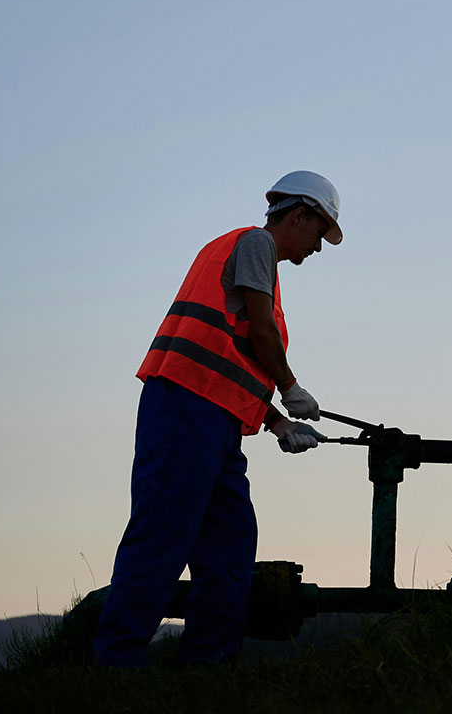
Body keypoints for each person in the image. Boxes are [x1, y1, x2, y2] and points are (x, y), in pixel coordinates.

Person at [92, 171, 343, 667]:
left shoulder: (254, 259)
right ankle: (116, 664)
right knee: (162, 532)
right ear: (298, 215)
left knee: (229, 546)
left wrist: (278, 424)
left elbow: (234, 355)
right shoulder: (256, 245)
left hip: (215, 420)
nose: (318, 248)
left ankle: (208, 666)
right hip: (185, 408)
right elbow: (264, 335)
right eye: (319, 233)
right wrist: (290, 387)